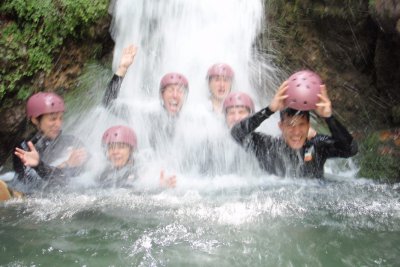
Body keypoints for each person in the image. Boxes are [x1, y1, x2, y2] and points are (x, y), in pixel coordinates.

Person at [231, 81, 358, 178]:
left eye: (301, 125)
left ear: (309, 125)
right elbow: (236, 134)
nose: (296, 131)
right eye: (290, 125)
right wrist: (269, 110)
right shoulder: (267, 146)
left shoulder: (317, 146)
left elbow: (350, 149)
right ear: (281, 126)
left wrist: (329, 118)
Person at [103, 45, 189, 146]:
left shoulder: (192, 120)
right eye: (170, 90)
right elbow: (108, 104)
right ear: (161, 95)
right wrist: (122, 68)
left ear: (185, 97)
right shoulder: (147, 117)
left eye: (180, 91)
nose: (175, 95)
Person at [10, 92, 88, 194]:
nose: (58, 124)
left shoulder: (71, 141)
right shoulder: (24, 148)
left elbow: (91, 174)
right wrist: (67, 165)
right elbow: (33, 185)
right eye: (53, 119)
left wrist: (84, 160)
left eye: (61, 118)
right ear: (35, 120)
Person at [99, 125, 176, 188]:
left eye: (121, 147)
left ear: (131, 150)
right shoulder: (104, 174)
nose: (115, 152)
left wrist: (160, 186)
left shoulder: (142, 171)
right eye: (111, 147)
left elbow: (151, 183)